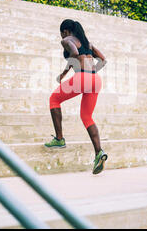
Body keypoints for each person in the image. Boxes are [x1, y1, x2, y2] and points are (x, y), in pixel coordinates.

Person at [45, 19, 108, 175]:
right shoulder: (88, 43)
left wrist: (64, 73)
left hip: (83, 78)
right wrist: (92, 73)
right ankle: (98, 152)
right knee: (86, 116)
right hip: (95, 80)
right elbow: (103, 59)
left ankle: (59, 139)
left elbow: (73, 53)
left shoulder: (66, 40)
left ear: (65, 31)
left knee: (54, 99)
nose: (61, 36)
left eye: (61, 33)